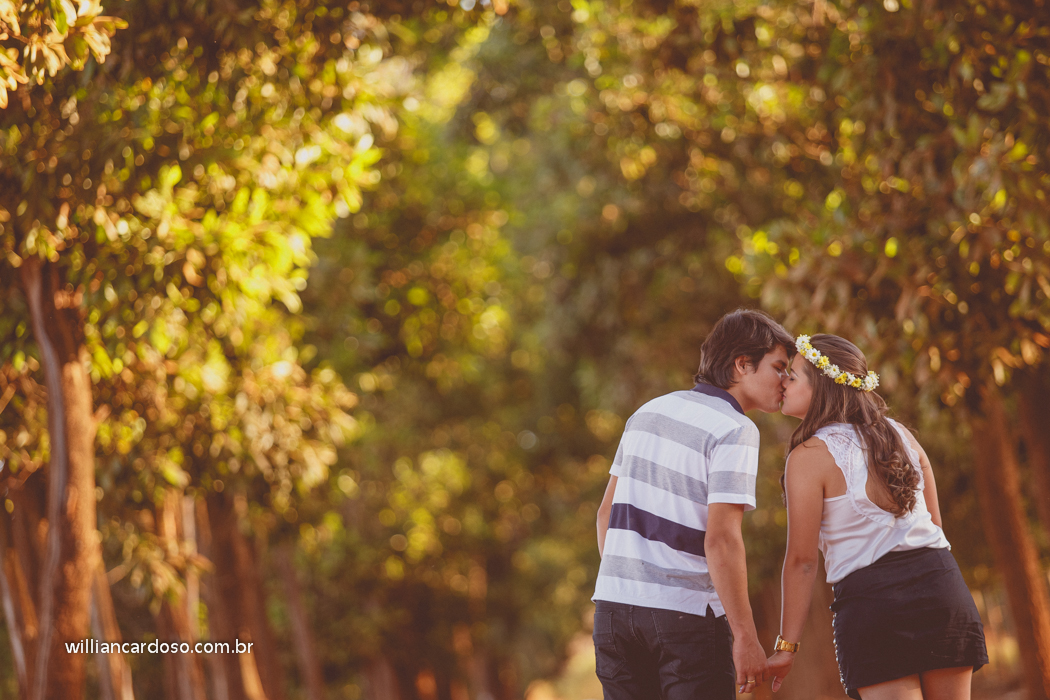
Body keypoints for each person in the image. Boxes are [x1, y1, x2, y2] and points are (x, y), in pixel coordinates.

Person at [767, 334, 987, 700]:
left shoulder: (807, 457)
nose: (783, 382)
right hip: (941, 588)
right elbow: (935, 526)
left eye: (793, 375)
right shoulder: (902, 436)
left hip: (874, 607)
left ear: (822, 386)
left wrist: (786, 647)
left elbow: (803, 562)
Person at [592, 308, 794, 700]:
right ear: (742, 364)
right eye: (779, 367)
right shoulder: (735, 428)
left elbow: (605, 514)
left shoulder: (646, 412)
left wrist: (633, 586)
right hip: (686, 617)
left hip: (613, 612)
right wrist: (746, 637)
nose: (785, 380)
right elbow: (722, 540)